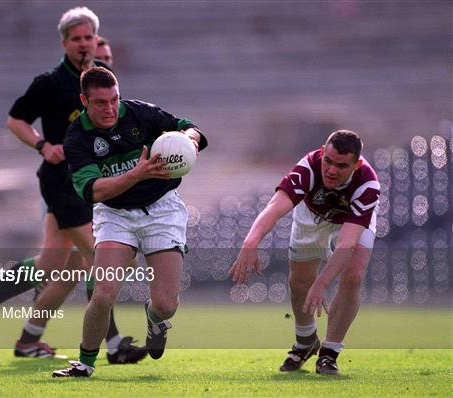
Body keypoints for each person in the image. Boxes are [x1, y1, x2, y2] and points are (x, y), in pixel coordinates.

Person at [0, 7, 146, 364]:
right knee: (100, 259)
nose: (83, 44)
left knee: (56, 267)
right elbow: (15, 121)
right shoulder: (50, 83)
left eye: (88, 38)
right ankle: (114, 345)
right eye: (76, 39)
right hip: (62, 186)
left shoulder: (100, 85)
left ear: (96, 39)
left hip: (87, 185)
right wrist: (43, 145)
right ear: (64, 43)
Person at [52, 66, 207, 377]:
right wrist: (138, 173)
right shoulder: (78, 137)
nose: (110, 109)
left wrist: (187, 140)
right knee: (104, 292)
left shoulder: (140, 114)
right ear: (84, 100)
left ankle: (155, 320)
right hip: (115, 215)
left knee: (165, 304)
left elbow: (192, 129)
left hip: (162, 211)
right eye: (100, 103)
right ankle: (84, 364)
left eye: (114, 99)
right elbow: (94, 191)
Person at [229, 130, 379, 375]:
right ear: (322, 152)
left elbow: (347, 243)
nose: (331, 170)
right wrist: (250, 243)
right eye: (328, 161)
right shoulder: (308, 167)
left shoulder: (367, 184)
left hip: (351, 221)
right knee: (300, 281)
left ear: (356, 164)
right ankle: (306, 340)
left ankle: (329, 354)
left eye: (341, 166)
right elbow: (275, 207)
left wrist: (323, 283)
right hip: (314, 214)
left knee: (353, 275)